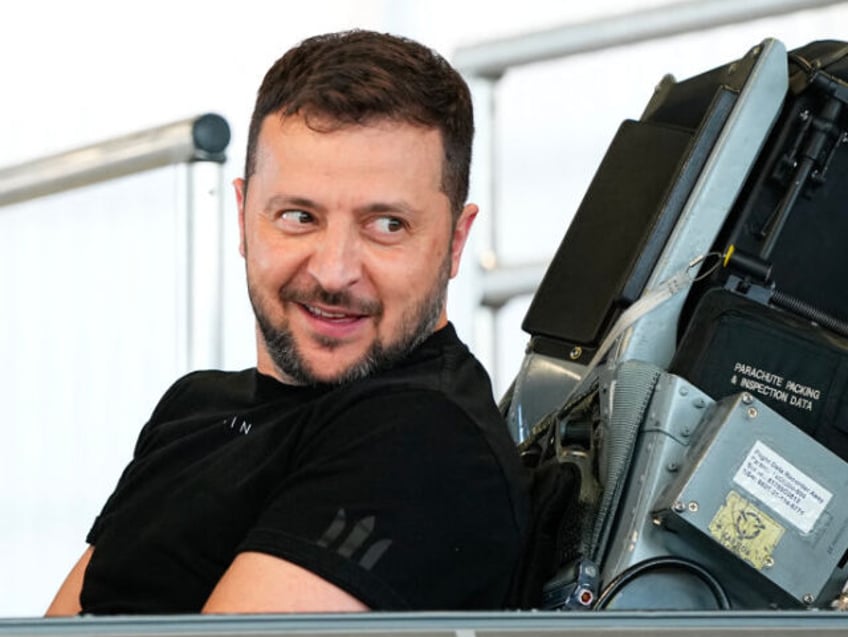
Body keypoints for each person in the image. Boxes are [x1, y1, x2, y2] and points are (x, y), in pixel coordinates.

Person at [45, 29, 529, 615]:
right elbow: (58, 628)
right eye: (300, 216)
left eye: (386, 225)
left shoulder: (425, 439)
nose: (333, 272)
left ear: (454, 244)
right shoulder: (194, 408)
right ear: (244, 216)